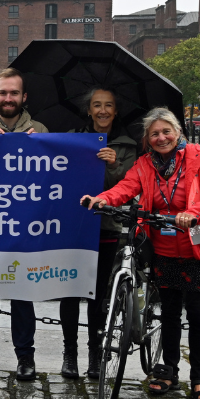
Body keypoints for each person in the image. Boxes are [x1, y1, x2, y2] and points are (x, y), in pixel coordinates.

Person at [83, 107, 200, 399]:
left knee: (199, 315)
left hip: (198, 246)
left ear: (177, 133)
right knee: (170, 312)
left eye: (166, 132)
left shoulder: (199, 157)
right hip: (163, 248)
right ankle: (168, 370)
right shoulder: (145, 164)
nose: (161, 138)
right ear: (147, 140)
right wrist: (102, 199)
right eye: (154, 134)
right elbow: (126, 187)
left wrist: (193, 213)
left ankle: (199, 377)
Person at [0, 67, 48, 381]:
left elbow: (49, 176)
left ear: (23, 97)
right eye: (3, 93)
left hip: (24, 226)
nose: (8, 98)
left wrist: (39, 145)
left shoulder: (39, 129)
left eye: (14, 93)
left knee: (22, 296)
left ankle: (25, 358)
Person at [58, 88, 137, 379]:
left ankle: (95, 354)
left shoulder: (128, 145)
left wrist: (114, 164)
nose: (103, 111)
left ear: (116, 111)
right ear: (88, 110)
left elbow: (129, 185)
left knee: (98, 295)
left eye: (109, 105)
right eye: (96, 105)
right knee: (69, 292)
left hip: (106, 226)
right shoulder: (73, 137)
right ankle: (69, 354)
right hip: (73, 224)